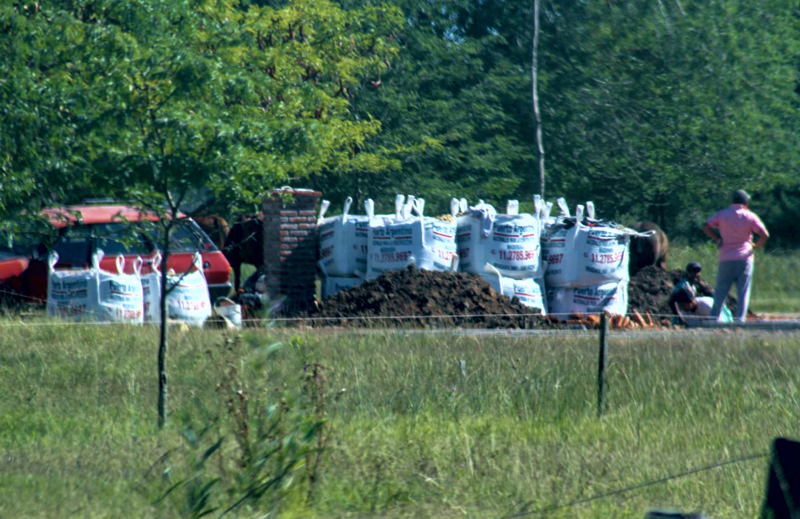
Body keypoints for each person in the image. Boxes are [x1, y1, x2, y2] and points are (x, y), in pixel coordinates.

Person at [702, 189, 769, 323]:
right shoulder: (750, 216)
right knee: (743, 292)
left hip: (725, 257)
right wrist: (756, 246)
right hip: (744, 258)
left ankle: (714, 319)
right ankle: (739, 321)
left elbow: (705, 226)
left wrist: (717, 239)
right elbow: (764, 235)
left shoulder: (722, 214)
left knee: (720, 291)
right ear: (746, 202)